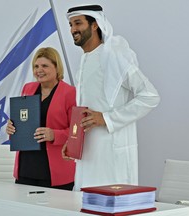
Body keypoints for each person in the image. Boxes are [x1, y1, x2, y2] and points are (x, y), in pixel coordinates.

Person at [62, 4, 160, 191]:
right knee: (85, 203)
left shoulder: (114, 55)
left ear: (95, 25)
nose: (73, 29)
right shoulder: (83, 60)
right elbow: (85, 110)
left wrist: (107, 118)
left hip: (112, 154)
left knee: (111, 205)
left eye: (78, 23)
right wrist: (74, 140)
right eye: (70, 25)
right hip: (87, 154)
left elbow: (150, 96)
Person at [6, 47, 76, 190]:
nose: (39, 70)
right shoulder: (28, 88)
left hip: (55, 170)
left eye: (45, 66)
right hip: (26, 166)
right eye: (36, 66)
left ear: (57, 68)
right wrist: (12, 127)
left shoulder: (70, 93)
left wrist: (54, 134)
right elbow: (22, 120)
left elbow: (76, 132)